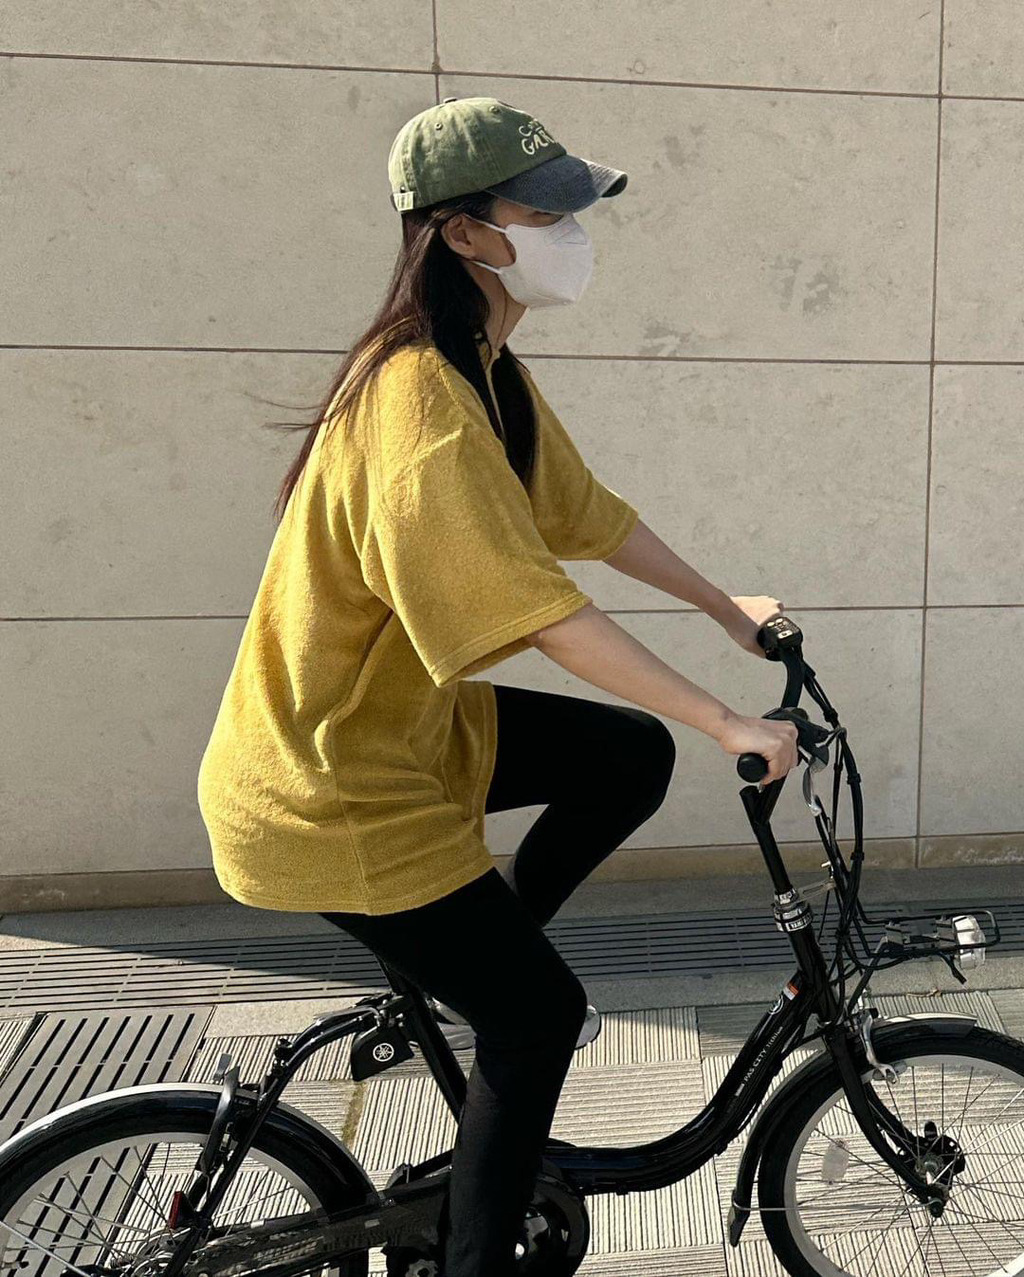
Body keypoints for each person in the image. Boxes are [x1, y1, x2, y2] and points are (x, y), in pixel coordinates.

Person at [197, 95, 799, 1277]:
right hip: (331, 783)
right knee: (538, 1017)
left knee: (625, 755)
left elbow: (587, 516)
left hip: (397, 732)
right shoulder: (418, 403)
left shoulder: (485, 369)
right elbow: (541, 616)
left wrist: (724, 605)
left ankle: (476, 960)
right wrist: (724, 717)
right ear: (464, 232)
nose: (573, 233)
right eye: (546, 211)